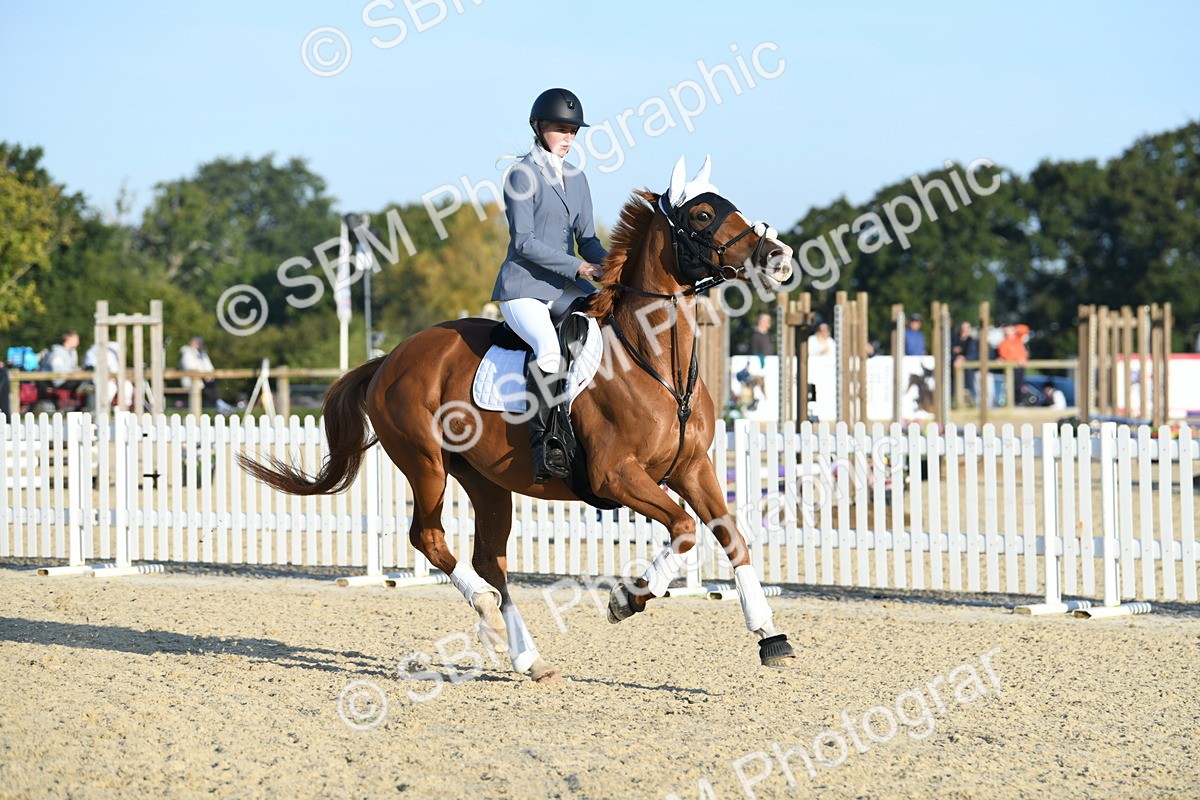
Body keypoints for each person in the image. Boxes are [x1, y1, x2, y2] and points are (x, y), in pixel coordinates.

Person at [491, 88, 608, 483]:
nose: (568, 137)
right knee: (548, 348)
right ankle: (546, 445)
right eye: (561, 129)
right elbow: (523, 242)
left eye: (573, 130)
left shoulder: (577, 178)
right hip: (523, 287)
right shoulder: (522, 175)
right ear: (539, 128)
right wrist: (580, 267)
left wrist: (613, 267)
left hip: (565, 286)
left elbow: (588, 238)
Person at [179, 337, 223, 409]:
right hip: (191, 380)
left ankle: (218, 403)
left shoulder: (203, 354)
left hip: (204, 379)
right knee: (208, 386)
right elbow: (190, 368)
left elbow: (210, 368)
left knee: (212, 384)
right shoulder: (186, 354)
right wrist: (204, 375)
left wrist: (209, 375)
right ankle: (218, 403)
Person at [996, 323, 1030, 404]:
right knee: (1012, 387)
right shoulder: (1003, 343)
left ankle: (1020, 403)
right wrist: (1018, 360)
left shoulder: (1018, 339)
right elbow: (1004, 356)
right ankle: (1014, 404)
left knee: (1020, 386)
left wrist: (1014, 329)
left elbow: (1025, 329)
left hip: (1020, 368)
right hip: (1011, 368)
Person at [951, 321, 979, 406]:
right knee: (954, 391)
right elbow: (947, 354)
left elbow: (974, 355)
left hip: (968, 372)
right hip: (953, 372)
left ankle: (972, 404)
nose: (965, 330)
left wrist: (963, 358)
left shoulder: (972, 341)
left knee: (970, 392)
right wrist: (956, 358)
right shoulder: (954, 340)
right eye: (963, 327)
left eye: (967, 328)